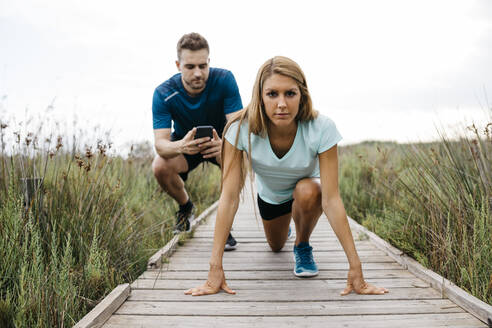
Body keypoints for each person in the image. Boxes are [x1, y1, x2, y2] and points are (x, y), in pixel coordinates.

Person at [184, 56, 389, 296]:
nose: (281, 104)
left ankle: (302, 243)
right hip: (271, 198)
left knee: (310, 189)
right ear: (260, 95)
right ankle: (287, 227)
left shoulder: (322, 128)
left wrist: (356, 268)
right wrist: (214, 269)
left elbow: (332, 200)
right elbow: (229, 198)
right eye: (272, 94)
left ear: (302, 94)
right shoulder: (239, 128)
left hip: (307, 194)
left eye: (290, 94)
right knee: (276, 246)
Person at [152, 32, 242, 250]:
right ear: (178, 65)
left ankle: (224, 224)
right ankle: (186, 207)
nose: (198, 73)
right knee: (160, 166)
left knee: (236, 161)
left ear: (209, 61)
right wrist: (181, 145)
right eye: (190, 67)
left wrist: (226, 146)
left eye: (203, 65)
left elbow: (239, 126)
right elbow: (161, 144)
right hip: (186, 146)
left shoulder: (225, 80)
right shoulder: (163, 93)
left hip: (221, 144)